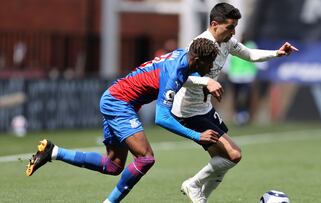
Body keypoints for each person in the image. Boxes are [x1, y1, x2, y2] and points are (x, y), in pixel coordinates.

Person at [25, 38, 220, 203]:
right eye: (209, 63)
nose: (211, 67)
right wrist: (196, 136)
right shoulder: (174, 74)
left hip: (117, 98)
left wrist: (203, 81)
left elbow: (185, 72)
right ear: (196, 59)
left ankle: (53, 151)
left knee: (113, 165)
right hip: (119, 103)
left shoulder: (182, 55)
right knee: (146, 158)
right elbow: (162, 118)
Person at [171, 3, 298, 203]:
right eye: (230, 27)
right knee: (234, 154)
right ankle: (193, 184)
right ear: (214, 24)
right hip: (188, 111)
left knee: (223, 159)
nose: (234, 32)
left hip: (204, 109)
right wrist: (207, 81)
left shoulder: (227, 41)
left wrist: (277, 53)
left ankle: (200, 198)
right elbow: (178, 77)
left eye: (235, 27)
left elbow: (249, 54)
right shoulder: (198, 46)